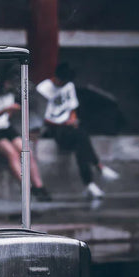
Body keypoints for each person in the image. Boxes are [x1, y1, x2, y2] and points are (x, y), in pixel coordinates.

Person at [37, 62, 120, 199]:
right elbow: (42, 117)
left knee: (80, 141)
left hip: (69, 125)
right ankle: (98, 167)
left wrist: (73, 120)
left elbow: (72, 107)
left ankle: (90, 184)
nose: (62, 85)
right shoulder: (43, 89)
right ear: (56, 77)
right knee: (81, 136)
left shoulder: (69, 86)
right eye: (61, 82)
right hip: (53, 127)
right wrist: (63, 122)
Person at [0, 64, 51, 201]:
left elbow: (8, 117)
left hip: (5, 126)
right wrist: (7, 109)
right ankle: (27, 188)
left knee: (27, 151)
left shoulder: (11, 91)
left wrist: (12, 110)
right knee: (11, 153)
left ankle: (39, 187)